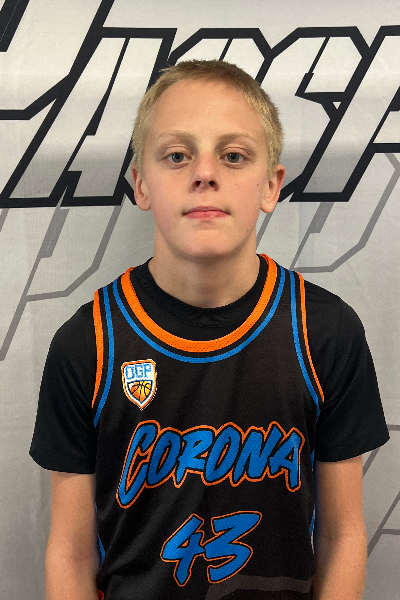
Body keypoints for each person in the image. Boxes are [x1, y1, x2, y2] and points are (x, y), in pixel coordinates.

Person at [30, 59, 389, 600]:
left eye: (233, 155)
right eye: (177, 155)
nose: (204, 173)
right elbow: (71, 552)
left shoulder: (325, 332)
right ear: (141, 184)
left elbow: (342, 537)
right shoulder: (88, 344)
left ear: (270, 186)